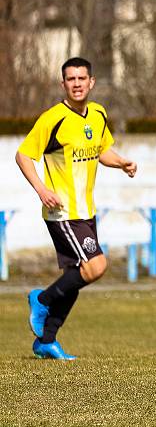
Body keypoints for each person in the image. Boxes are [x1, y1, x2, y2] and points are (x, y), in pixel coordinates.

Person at [15, 57, 137, 360]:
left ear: (92, 82)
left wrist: (121, 162)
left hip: (86, 211)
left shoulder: (97, 114)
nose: (77, 83)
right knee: (96, 266)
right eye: (71, 79)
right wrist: (42, 189)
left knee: (77, 274)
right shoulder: (52, 118)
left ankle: (46, 340)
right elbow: (23, 155)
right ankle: (41, 299)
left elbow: (101, 151)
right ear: (63, 84)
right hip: (62, 211)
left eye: (82, 78)